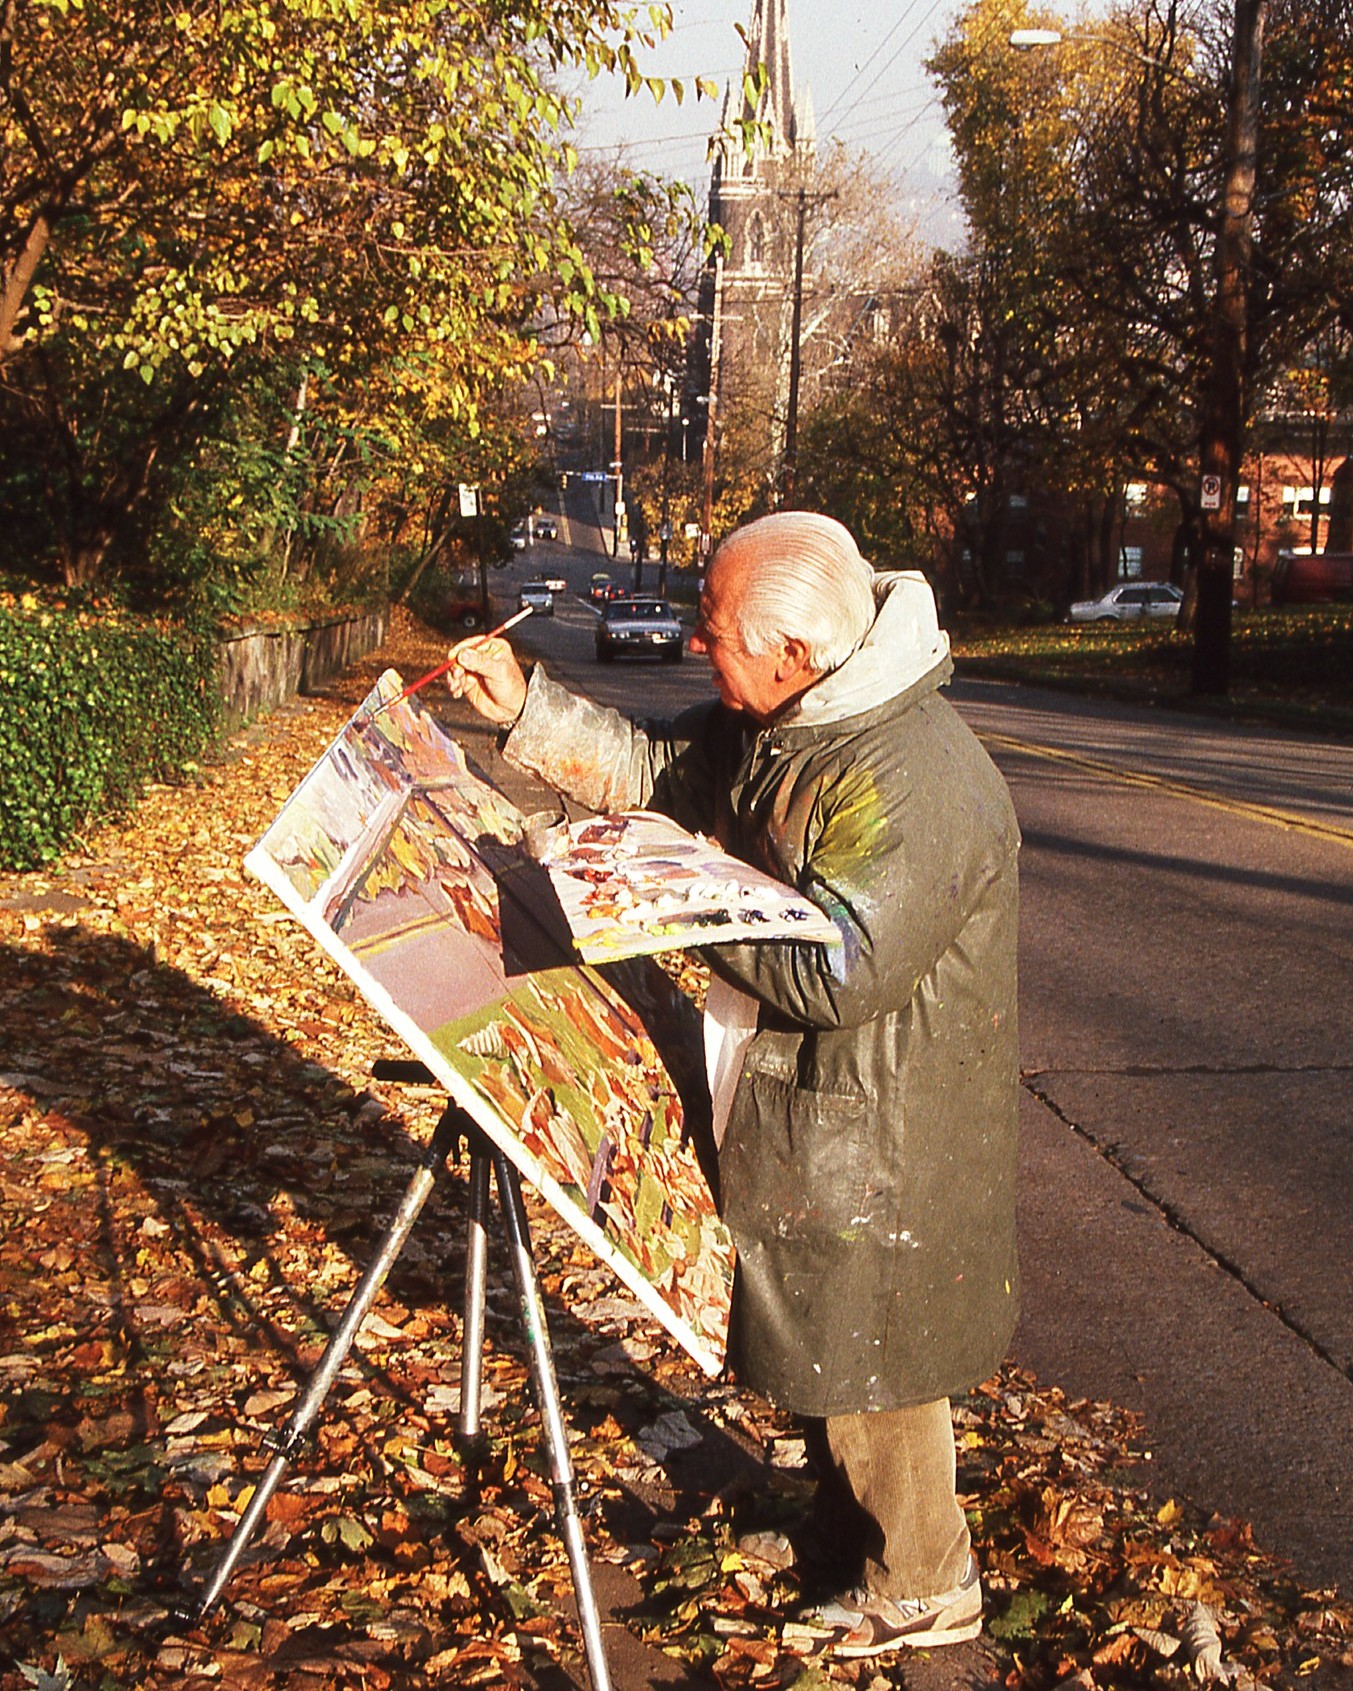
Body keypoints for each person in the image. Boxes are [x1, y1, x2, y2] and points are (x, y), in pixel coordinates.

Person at [448, 512, 1021, 1658]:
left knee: (873, 1344)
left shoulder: (909, 776)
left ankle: (924, 1576)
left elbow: (840, 968)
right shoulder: (795, 717)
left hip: (883, 1111)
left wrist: (664, 898)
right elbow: (664, 776)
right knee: (820, 1326)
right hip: (814, 1089)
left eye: (715, 637)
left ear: (795, 654)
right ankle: (842, 1527)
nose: (702, 652)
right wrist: (524, 707)